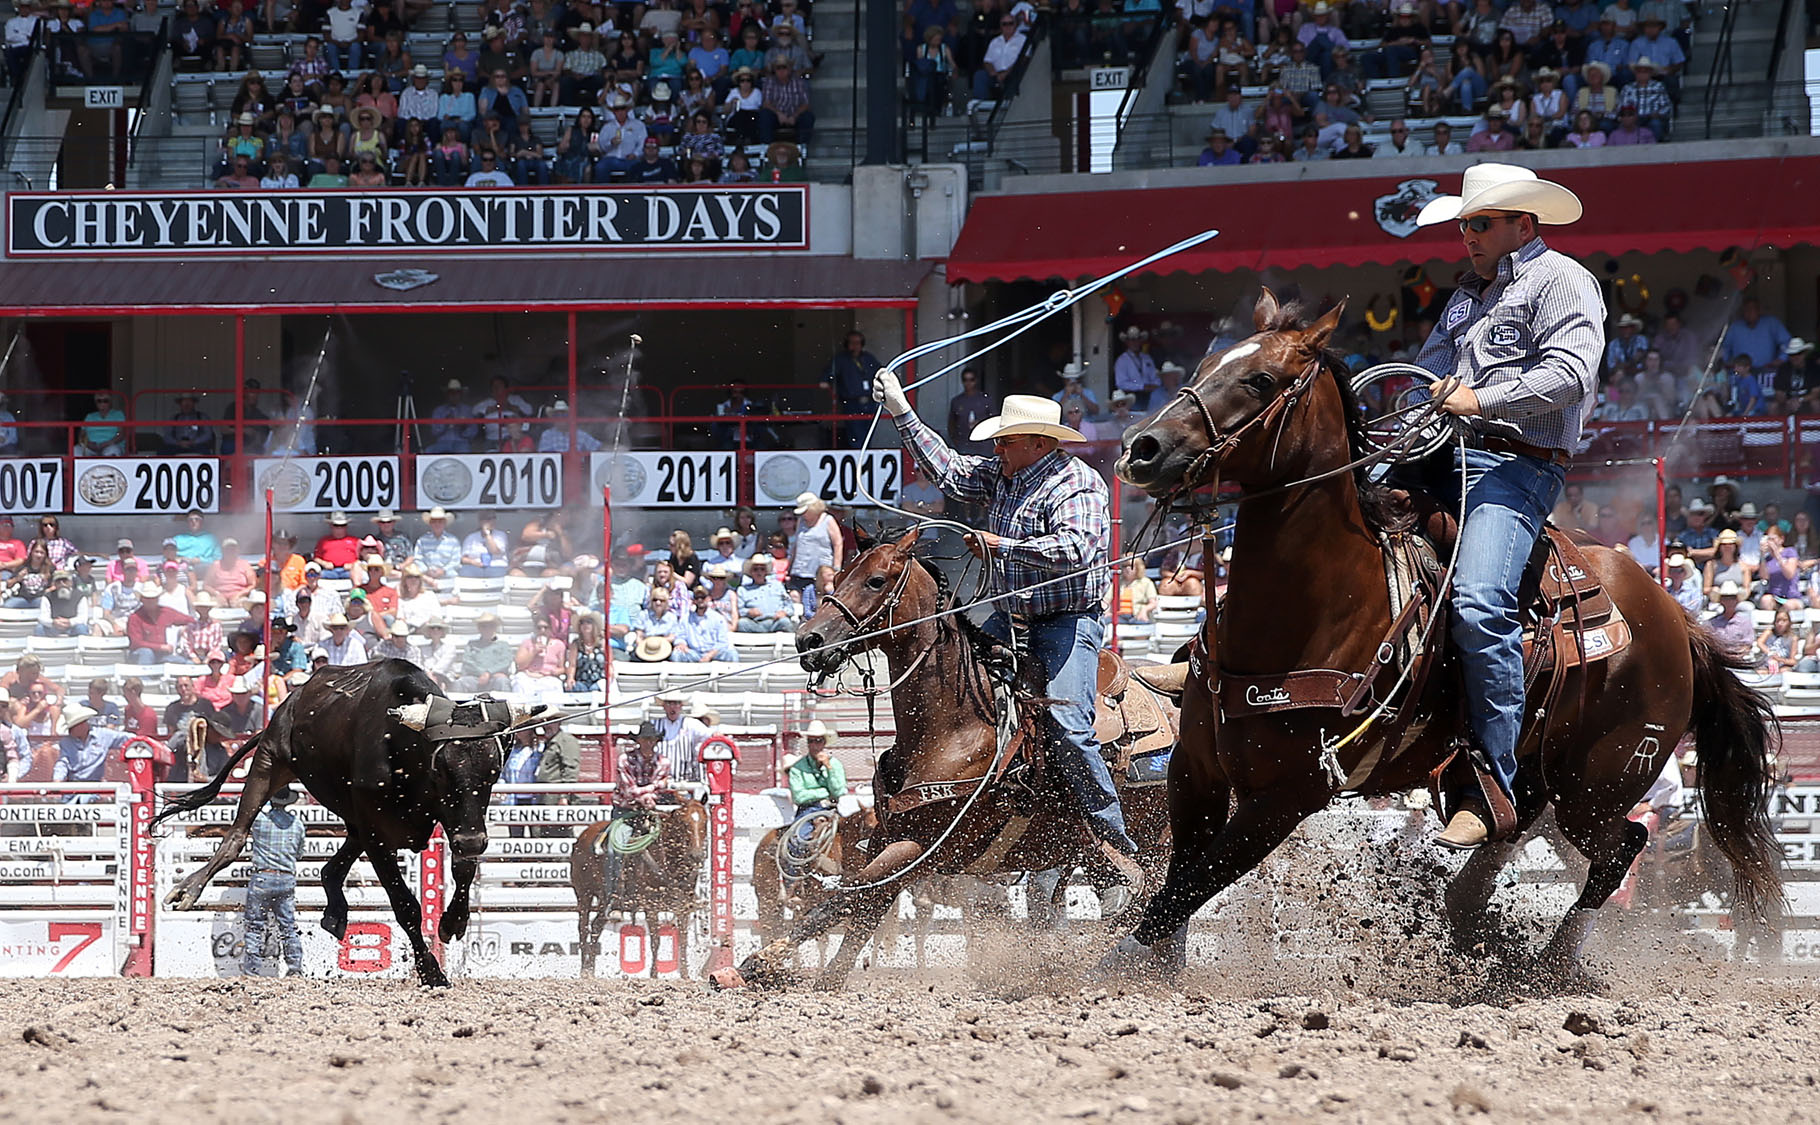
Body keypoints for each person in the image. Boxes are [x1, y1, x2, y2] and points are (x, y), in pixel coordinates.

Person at [871, 371, 1145, 895]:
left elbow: (1075, 551)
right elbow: (949, 472)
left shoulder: (1079, 483)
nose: (995, 447)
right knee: (948, 683)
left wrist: (1002, 546)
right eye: (995, 441)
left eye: (1004, 439)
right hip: (1006, 615)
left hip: (1065, 620)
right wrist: (902, 411)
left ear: (1039, 443)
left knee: (1067, 720)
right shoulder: (1002, 475)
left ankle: (1112, 840)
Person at [1405, 162, 1605, 850]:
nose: (1466, 235)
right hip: (1443, 457)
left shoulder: (1564, 280)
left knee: (1480, 598)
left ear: (1525, 223)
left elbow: (1573, 373)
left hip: (1518, 464)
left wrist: (1481, 398)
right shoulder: (1463, 299)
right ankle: (1213, 656)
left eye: (1479, 223)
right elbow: (1424, 377)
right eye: (1463, 224)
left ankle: (1490, 782)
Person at [241, 784, 307, 978]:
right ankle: (295, 967)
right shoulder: (297, 824)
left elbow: (244, 811)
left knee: (255, 925)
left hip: (263, 876)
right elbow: (300, 853)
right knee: (287, 925)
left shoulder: (260, 820)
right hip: (286, 877)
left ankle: (252, 971)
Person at [820, 331, 882, 447]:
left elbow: (880, 373)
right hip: (851, 402)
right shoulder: (841, 359)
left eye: (858, 343)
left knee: (868, 431)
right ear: (846, 344)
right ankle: (858, 457)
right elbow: (828, 374)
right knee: (855, 432)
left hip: (870, 401)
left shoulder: (868, 358)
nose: (855, 346)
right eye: (852, 343)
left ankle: (866, 456)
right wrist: (825, 381)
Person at [53, 703, 137, 783]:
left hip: (96, 786)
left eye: (71, 728)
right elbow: (62, 762)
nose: (69, 731)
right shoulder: (66, 743)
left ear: (82, 724)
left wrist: (143, 742)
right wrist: (57, 779)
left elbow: (129, 738)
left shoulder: (103, 735)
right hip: (72, 786)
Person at [786, 719, 847, 818]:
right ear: (807, 743)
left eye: (818, 741)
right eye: (811, 741)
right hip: (807, 811)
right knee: (801, 833)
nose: (814, 745)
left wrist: (829, 768)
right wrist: (826, 792)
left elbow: (839, 791)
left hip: (831, 810)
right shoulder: (797, 768)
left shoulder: (835, 764)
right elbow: (799, 797)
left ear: (824, 742)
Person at [787, 493, 842, 597]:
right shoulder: (801, 521)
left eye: (805, 511)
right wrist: (789, 566)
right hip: (800, 569)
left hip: (821, 570)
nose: (803, 514)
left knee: (818, 598)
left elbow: (838, 544)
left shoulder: (828, 520)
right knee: (795, 596)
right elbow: (796, 544)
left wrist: (836, 567)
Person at [652, 688, 709, 785]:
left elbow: (710, 735)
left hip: (686, 780)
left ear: (681, 706)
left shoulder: (691, 724)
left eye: (676, 703)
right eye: (669, 703)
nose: (672, 707)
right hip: (659, 780)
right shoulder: (654, 725)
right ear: (664, 706)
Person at [455, 611, 515, 691]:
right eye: (484, 626)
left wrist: (489, 673)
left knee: (502, 681)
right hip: (476, 678)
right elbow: (467, 661)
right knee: (461, 682)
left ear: (495, 627)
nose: (487, 629)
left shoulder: (503, 645)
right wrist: (483, 674)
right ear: (479, 628)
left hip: (495, 678)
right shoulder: (471, 644)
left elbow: (505, 662)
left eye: (490, 626)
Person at [675, 585, 735, 662]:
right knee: (677, 654)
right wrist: (681, 644)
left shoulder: (718, 618)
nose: (700, 600)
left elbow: (723, 642)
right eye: (697, 598)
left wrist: (709, 655)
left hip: (714, 654)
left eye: (703, 597)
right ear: (693, 600)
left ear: (708, 598)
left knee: (731, 654)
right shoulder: (686, 618)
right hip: (694, 653)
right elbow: (680, 636)